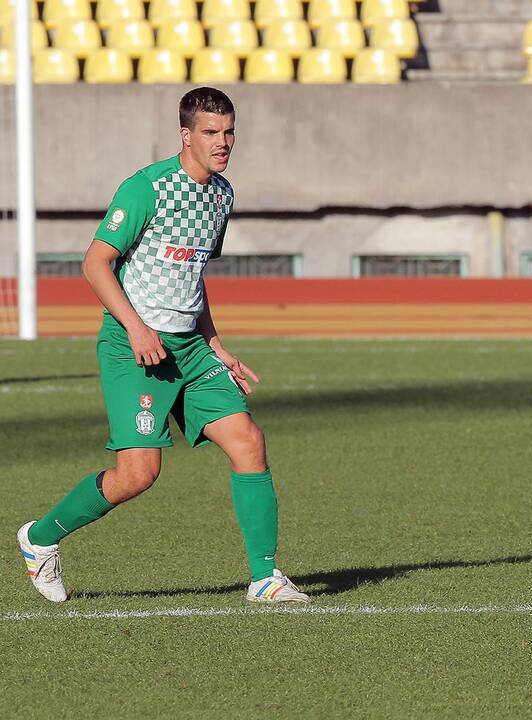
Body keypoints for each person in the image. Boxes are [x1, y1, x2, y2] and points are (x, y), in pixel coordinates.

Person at [17, 88, 308, 605]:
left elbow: (191, 276)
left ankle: (265, 578)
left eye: (229, 132)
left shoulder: (222, 195)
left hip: (192, 350)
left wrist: (215, 343)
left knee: (248, 442)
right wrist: (136, 327)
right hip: (136, 347)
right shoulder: (146, 188)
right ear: (186, 135)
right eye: (211, 133)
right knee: (138, 474)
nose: (223, 143)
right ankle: (40, 539)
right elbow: (94, 263)